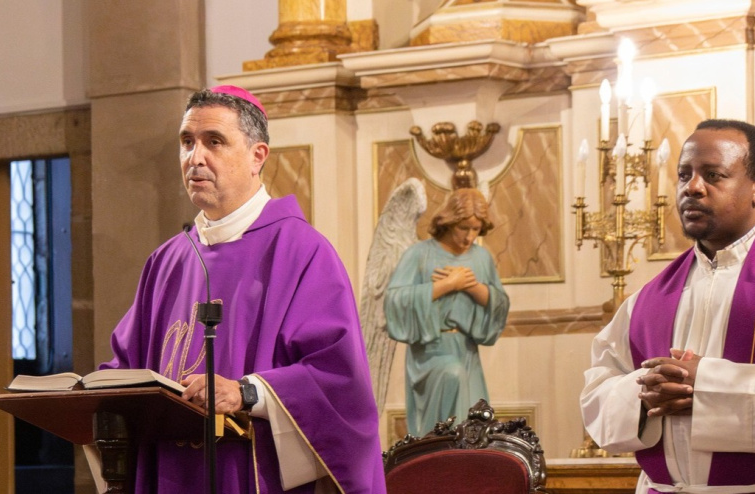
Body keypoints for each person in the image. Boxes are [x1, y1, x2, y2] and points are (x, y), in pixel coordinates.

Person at [99, 85, 386, 493]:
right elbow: (125, 368)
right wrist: (88, 393)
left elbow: (340, 383)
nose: (195, 157)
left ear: (257, 156)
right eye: (187, 142)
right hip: (170, 473)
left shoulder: (302, 251)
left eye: (213, 142)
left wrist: (247, 392)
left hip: (250, 474)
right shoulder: (166, 261)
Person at [580, 119, 755, 493]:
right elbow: (598, 390)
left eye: (713, 175)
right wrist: (645, 394)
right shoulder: (647, 298)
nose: (692, 187)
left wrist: (707, 385)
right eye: (684, 175)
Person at [384, 187, 509, 437]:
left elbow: (499, 303)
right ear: (449, 222)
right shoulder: (420, 254)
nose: (469, 236)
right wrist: (447, 285)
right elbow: (395, 301)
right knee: (453, 375)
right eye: (463, 228)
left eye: (475, 229)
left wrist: (472, 287)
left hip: (467, 351)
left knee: (473, 424)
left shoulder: (481, 258)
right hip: (431, 351)